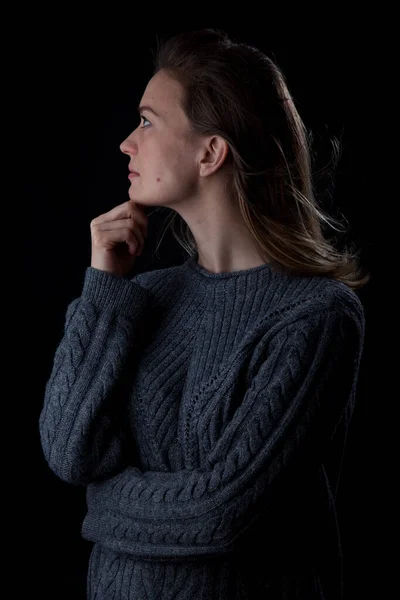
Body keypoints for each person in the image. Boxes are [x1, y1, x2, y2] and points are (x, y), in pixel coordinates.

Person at [39, 28, 369, 599]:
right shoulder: (141, 298)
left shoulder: (316, 316)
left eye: (146, 121)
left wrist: (101, 503)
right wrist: (103, 287)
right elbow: (70, 450)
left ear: (210, 152)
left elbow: (222, 513)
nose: (126, 143)